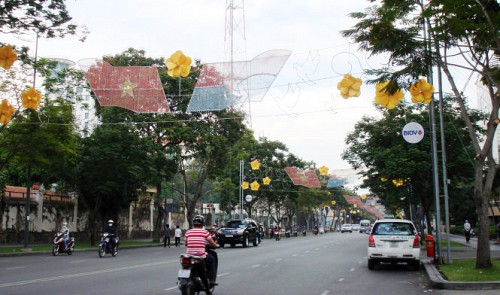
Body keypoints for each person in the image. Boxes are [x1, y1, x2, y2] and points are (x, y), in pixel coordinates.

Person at [184, 215, 220, 288]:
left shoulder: (188, 232)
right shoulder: (205, 232)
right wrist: (217, 245)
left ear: (193, 224)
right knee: (212, 260)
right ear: (202, 224)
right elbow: (212, 243)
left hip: (189, 255)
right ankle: (212, 280)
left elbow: (186, 244)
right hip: (201, 255)